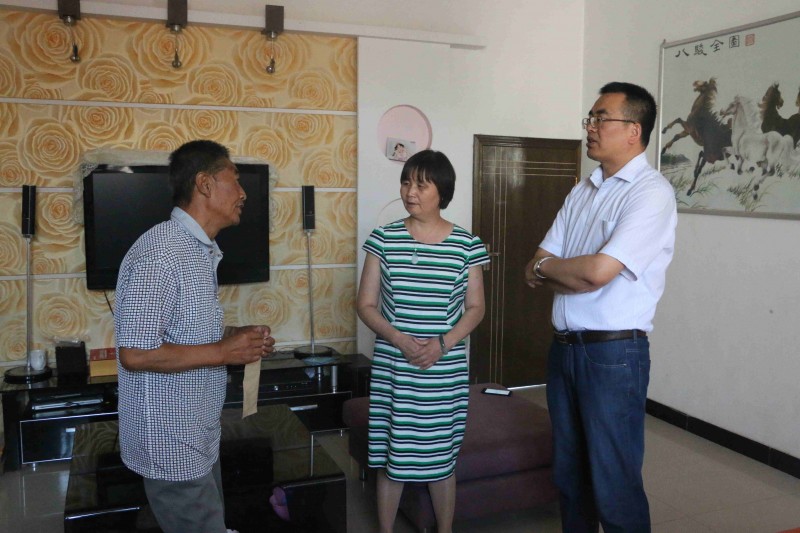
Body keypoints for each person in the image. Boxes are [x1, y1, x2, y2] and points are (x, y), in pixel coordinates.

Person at [524, 82, 677, 532]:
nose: (589, 127)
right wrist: (558, 267)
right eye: (589, 118)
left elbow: (596, 273)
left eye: (600, 118)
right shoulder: (583, 191)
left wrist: (555, 268)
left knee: (614, 482)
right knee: (569, 477)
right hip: (564, 350)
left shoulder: (650, 193)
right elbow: (533, 267)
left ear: (633, 130)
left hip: (613, 355)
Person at [114, 139, 276, 533]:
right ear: (205, 184)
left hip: (196, 433)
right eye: (235, 180)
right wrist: (223, 351)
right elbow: (135, 354)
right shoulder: (161, 253)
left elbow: (184, 331)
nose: (243, 193)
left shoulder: (199, 251)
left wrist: (235, 338)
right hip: (172, 443)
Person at [357, 150, 489, 533]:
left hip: (443, 370)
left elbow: (476, 308)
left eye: (421, 184)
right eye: (405, 182)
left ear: (441, 191)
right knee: (392, 457)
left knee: (441, 460)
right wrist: (399, 339)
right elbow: (365, 304)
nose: (410, 192)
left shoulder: (467, 245)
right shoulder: (383, 239)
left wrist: (442, 344)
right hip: (395, 366)